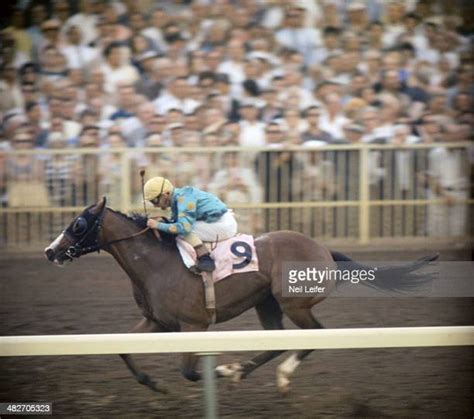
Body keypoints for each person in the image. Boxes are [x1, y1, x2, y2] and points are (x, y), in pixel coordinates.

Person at [144, 176, 238, 272]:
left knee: (183, 231)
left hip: (224, 224)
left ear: (166, 194)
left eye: (154, 201)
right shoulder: (179, 197)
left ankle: (204, 259)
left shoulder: (183, 198)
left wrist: (158, 225)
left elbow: (183, 228)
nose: (155, 205)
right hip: (217, 221)